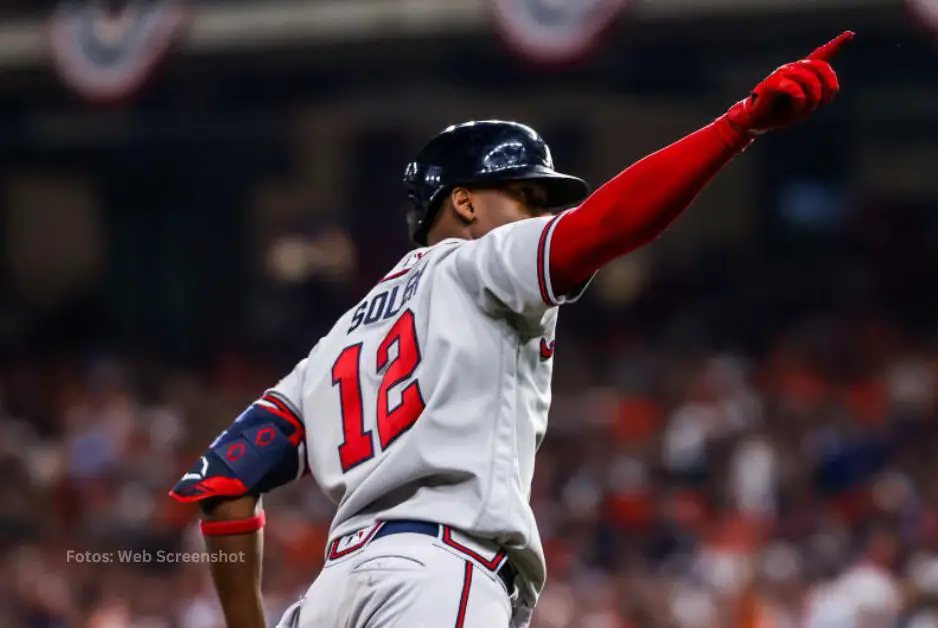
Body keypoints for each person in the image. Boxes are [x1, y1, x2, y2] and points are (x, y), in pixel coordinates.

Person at [168, 30, 854, 628]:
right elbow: (604, 227)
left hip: (330, 596)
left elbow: (227, 485)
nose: (539, 212)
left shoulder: (334, 342)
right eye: (525, 195)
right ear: (462, 202)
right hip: (439, 573)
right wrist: (739, 126)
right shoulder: (479, 263)